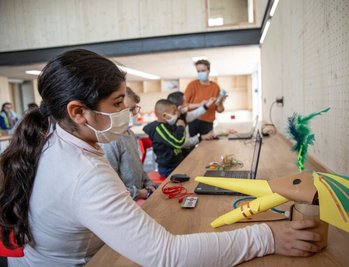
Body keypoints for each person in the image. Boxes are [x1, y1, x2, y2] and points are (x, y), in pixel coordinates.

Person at [0, 49, 321, 267]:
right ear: (78, 112)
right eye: (116, 103)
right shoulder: (82, 174)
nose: (126, 112)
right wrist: (268, 236)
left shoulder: (52, 136)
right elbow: (167, 255)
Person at [100, 87, 156, 204]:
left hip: (140, 194)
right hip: (127, 202)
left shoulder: (130, 134)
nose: (135, 113)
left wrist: (148, 183)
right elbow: (110, 186)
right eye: (130, 110)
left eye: (135, 108)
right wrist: (140, 193)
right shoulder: (111, 141)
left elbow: (138, 168)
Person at [143, 99, 186, 177]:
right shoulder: (160, 129)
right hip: (168, 168)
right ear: (164, 116)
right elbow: (178, 142)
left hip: (176, 164)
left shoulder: (168, 124)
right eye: (174, 112)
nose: (176, 114)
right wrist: (181, 127)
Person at [184, 59, 227, 137]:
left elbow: (220, 110)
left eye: (203, 70)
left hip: (208, 123)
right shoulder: (192, 85)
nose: (200, 73)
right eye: (198, 71)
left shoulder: (215, 87)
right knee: (189, 148)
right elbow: (184, 105)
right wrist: (200, 104)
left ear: (208, 71)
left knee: (208, 146)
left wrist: (220, 102)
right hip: (193, 121)